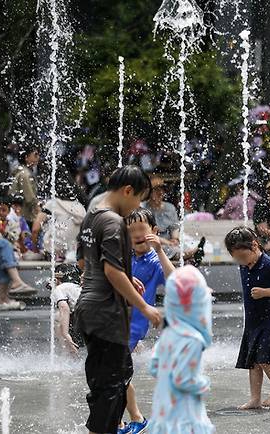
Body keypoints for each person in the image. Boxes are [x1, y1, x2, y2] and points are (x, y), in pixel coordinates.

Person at [73, 165, 162, 434]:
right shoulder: (112, 222)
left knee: (110, 381)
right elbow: (111, 271)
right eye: (138, 199)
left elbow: (83, 262)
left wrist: (124, 274)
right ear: (127, 191)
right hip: (106, 314)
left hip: (88, 309)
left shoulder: (92, 216)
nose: (137, 206)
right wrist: (144, 306)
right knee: (113, 386)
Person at [119, 208, 176, 434]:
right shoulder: (125, 257)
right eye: (130, 230)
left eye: (141, 229)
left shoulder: (154, 260)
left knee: (117, 372)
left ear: (153, 231)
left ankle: (132, 418)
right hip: (116, 320)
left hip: (134, 325)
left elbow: (174, 280)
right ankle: (126, 418)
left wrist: (160, 250)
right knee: (118, 373)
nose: (136, 234)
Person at [224, 227, 270, 410]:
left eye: (243, 257)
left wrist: (265, 292)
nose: (241, 261)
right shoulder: (245, 264)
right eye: (237, 258)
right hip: (253, 321)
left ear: (254, 245)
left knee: (266, 359)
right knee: (253, 361)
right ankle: (255, 398)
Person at [148, 265, 215, 434]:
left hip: (163, 413)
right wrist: (203, 384)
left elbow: (154, 367)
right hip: (185, 416)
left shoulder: (168, 333)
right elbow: (183, 379)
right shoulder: (193, 340)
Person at [0, 195, 37, 310]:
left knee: (2, 256)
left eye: (4, 210)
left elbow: (14, 237)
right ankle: (15, 284)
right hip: (1, 249)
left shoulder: (13, 224)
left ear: (8, 211)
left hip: (5, 252)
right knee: (5, 248)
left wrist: (4, 232)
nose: (1, 213)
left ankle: (2, 300)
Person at [51, 263, 84, 355]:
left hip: (83, 318)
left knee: (58, 317)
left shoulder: (60, 288)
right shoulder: (78, 287)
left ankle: (67, 354)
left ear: (57, 279)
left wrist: (65, 334)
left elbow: (64, 308)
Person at [9, 145, 40, 226]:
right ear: (26, 157)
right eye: (35, 155)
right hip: (25, 215)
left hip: (22, 213)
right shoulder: (25, 174)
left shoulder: (23, 171)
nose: (38, 157)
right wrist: (39, 209)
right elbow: (30, 198)